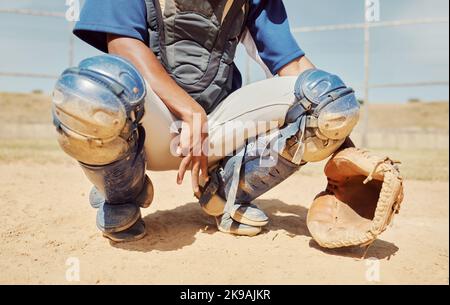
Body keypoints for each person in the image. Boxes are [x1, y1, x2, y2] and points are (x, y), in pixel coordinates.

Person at [51, 0, 360, 242]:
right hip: (151, 132)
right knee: (89, 89)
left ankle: (227, 190)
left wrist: (342, 141)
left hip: (218, 134)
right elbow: (122, 45)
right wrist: (189, 110)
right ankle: (122, 191)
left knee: (327, 96)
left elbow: (292, 66)